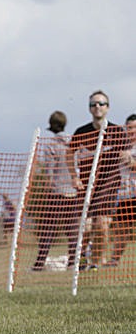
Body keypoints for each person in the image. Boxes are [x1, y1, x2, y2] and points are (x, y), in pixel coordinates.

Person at [66, 91, 128, 269]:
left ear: (108, 107)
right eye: (93, 104)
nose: (97, 107)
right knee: (84, 228)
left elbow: (128, 154)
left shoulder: (117, 131)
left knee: (101, 226)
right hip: (86, 187)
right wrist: (74, 177)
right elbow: (69, 152)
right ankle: (80, 260)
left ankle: (96, 262)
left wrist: (128, 159)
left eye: (101, 104)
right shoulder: (82, 132)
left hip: (109, 186)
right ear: (89, 109)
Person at [31, 111, 79, 270]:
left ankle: (39, 263)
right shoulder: (73, 142)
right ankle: (73, 262)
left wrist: (46, 190)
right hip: (73, 192)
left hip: (56, 193)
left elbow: (50, 172)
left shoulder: (50, 145)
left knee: (47, 229)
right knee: (72, 230)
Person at [106, 114, 136, 266]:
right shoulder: (121, 147)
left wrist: (131, 161)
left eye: (135, 128)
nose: (132, 131)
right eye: (129, 128)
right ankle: (114, 260)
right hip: (125, 194)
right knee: (122, 229)